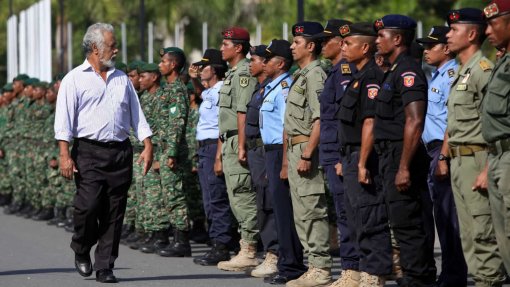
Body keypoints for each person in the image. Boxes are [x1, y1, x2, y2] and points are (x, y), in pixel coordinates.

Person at [54, 23, 153, 283]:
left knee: (114, 211)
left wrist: (147, 143)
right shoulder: (73, 79)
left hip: (120, 152)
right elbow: (63, 122)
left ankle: (105, 266)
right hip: (88, 152)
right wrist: (65, 155)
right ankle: (82, 247)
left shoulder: (122, 79)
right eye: (112, 45)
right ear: (96, 48)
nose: (116, 49)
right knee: (87, 208)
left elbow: (137, 115)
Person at [444, 8, 507, 286]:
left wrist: (486, 167)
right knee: (468, 234)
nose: (447, 34)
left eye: (453, 30)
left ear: (471, 34)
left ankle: (488, 281)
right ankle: (481, 280)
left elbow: (491, 120)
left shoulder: (482, 71)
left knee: (484, 232)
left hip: (479, 158)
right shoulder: (461, 72)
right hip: (460, 160)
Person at [373, 14, 436, 285]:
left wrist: (403, 167)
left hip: (403, 154)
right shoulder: (394, 69)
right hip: (391, 154)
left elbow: (415, 120)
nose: (376, 41)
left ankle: (418, 278)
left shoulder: (408, 70)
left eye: (381, 36)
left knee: (409, 223)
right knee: (401, 221)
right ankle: (415, 275)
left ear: (397, 39)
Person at [338, 22, 393, 286]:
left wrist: (361, 163)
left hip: (364, 155)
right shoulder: (358, 77)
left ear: (365, 47)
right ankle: (365, 269)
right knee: (356, 216)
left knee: (370, 215)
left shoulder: (371, 77)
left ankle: (375, 272)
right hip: (350, 155)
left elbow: (370, 122)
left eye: (348, 43)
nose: (343, 47)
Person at [311, 19, 362, 286]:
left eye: (325, 40)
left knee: (348, 212)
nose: (320, 45)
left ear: (341, 42)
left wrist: (342, 157)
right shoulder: (334, 72)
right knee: (342, 212)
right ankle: (351, 268)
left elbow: (347, 119)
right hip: (332, 151)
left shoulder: (345, 71)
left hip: (341, 152)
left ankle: (353, 269)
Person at [416, 26, 467, 286]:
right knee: (442, 215)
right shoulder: (435, 76)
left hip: (442, 149)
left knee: (450, 216)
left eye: (431, 46)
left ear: (446, 48)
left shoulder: (451, 76)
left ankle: (454, 274)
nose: (425, 51)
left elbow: (452, 119)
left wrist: (444, 156)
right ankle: (449, 272)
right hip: (432, 149)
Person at [284, 21, 332, 287]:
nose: (292, 46)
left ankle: (321, 266)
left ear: (310, 46)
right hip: (295, 147)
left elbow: (321, 119)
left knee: (312, 208)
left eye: (297, 42)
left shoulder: (315, 75)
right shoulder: (300, 74)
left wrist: (307, 154)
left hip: (305, 148)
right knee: (301, 210)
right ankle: (313, 263)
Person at [259, 39, 308, 285]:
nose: (264, 63)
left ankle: (292, 265)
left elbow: (288, 125)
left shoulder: (286, 86)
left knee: (285, 211)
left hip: (282, 151)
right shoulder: (272, 86)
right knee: (278, 209)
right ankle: (287, 261)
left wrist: (285, 163)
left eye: (268, 59)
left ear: (280, 63)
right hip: (272, 152)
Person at [215, 27, 259, 272]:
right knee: (235, 196)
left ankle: (250, 249)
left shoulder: (244, 73)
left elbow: (242, 112)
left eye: (226, 44)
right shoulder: (232, 73)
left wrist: (241, 146)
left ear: (238, 47)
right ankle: (246, 246)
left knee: (243, 195)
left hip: (237, 141)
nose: (222, 48)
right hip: (229, 140)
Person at [189, 49, 234, 266]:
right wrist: (193, 79)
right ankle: (218, 241)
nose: (199, 70)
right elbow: (201, 94)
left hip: (213, 147)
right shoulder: (211, 91)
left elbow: (221, 126)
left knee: (216, 198)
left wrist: (218, 156)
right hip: (204, 148)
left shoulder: (222, 90)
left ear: (214, 70)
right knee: (209, 198)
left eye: (203, 67)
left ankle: (222, 245)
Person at [244, 44, 279, 278]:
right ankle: (271, 251)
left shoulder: (274, 88)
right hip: (256, 151)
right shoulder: (260, 88)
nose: (253, 64)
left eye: (256, 60)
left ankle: (274, 254)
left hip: (268, 150)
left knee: (269, 203)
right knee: (262, 202)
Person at [155, 47, 193, 258]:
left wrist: (171, 153)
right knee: (168, 196)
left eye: (164, 62)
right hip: (164, 149)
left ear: (174, 65)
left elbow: (176, 124)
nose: (160, 65)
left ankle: (182, 241)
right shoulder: (165, 89)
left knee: (175, 195)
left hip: (173, 152)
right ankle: (175, 238)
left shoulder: (178, 89)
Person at [483, 0, 510, 274]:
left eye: (493, 23)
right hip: (497, 155)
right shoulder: (501, 63)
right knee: (502, 240)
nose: (488, 31)